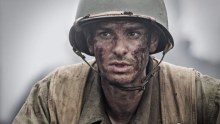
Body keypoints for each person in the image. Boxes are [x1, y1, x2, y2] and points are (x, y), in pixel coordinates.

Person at [13, 0, 220, 123]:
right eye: (105, 34)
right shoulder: (54, 95)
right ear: (90, 42)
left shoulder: (197, 95)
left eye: (133, 33)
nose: (119, 49)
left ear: (153, 41)